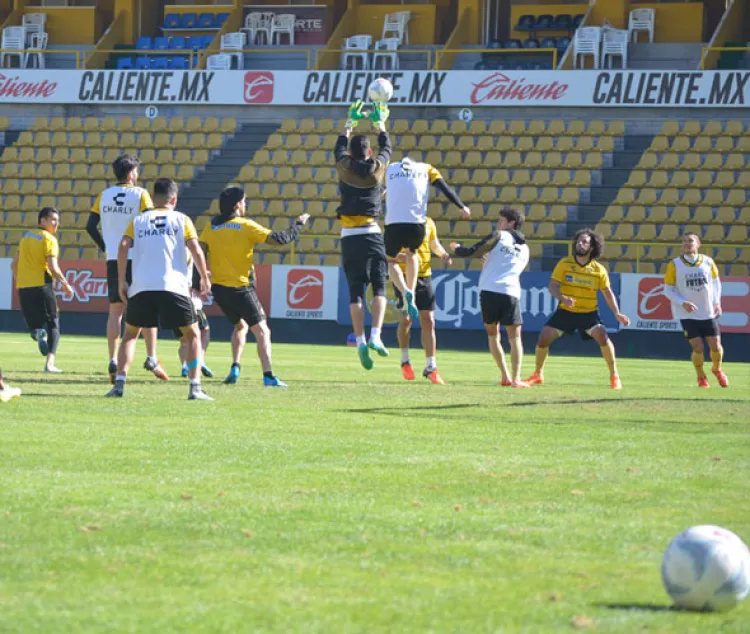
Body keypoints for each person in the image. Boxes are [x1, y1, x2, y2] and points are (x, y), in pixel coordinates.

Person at [105, 179, 212, 401]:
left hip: (142, 287)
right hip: (174, 286)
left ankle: (119, 385)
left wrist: (122, 280)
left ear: (153, 199)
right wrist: (203, 277)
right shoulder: (182, 219)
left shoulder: (139, 220)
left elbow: (123, 245)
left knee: (130, 336)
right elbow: (195, 249)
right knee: (192, 335)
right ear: (174, 199)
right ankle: (195, 387)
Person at [199, 186, 309, 387]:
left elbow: (200, 251)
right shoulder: (245, 225)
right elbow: (280, 239)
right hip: (241, 288)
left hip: (219, 289)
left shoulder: (210, 227)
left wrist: (202, 277)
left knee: (240, 326)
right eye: (244, 201)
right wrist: (298, 225)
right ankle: (268, 376)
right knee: (263, 331)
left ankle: (235, 367)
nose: (246, 204)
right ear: (237, 205)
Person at [87, 153, 167, 383]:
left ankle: (113, 358)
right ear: (132, 173)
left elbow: (90, 225)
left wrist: (105, 246)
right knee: (147, 308)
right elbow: (149, 221)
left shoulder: (104, 195)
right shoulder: (141, 194)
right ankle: (151, 356)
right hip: (138, 257)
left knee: (115, 312)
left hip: (114, 258)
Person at [525, 229, 630, 389]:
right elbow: (552, 286)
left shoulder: (598, 269)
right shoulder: (564, 263)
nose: (580, 244)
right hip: (566, 312)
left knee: (602, 336)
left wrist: (617, 313)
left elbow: (607, 293)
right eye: (578, 241)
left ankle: (614, 376)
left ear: (592, 247)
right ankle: (538, 374)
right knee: (544, 337)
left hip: (588, 314)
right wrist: (563, 298)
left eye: (585, 242)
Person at [335, 100, 392, 370]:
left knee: (355, 291)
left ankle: (359, 341)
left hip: (348, 235)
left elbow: (338, 148)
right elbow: (387, 149)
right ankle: (376, 336)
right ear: (369, 151)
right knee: (379, 286)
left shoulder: (343, 166)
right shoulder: (377, 168)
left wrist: (350, 123)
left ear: (351, 152)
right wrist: (380, 123)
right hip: (371, 232)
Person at [451, 206, 530, 387]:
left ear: (512, 223)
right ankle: (517, 378)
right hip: (510, 292)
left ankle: (505, 376)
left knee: (493, 335)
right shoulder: (526, 249)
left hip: (489, 290)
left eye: (501, 220)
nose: (498, 223)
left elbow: (473, 251)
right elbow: (510, 268)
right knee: (515, 337)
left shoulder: (499, 235)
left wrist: (457, 248)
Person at [384, 155, 470, 321]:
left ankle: (404, 291)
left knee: (391, 261)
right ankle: (412, 292)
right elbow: (444, 188)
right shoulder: (427, 168)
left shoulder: (390, 168)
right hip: (417, 223)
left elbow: (377, 186)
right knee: (412, 253)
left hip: (393, 223)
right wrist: (461, 206)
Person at [12, 207, 74, 372]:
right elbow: (53, 268)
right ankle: (50, 364)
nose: (56, 223)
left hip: (24, 287)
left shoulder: (26, 237)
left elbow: (14, 264)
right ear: (42, 221)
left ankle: (39, 333)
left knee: (35, 325)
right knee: (54, 323)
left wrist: (21, 279)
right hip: (42, 285)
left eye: (57, 220)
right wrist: (66, 285)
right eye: (53, 219)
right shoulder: (49, 239)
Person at [663, 232, 728, 388]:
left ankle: (717, 369)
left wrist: (717, 302)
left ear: (698, 244)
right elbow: (668, 290)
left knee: (716, 346)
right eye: (684, 241)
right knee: (698, 347)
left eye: (690, 241)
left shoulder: (707, 261)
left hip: (707, 312)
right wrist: (682, 302)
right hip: (687, 314)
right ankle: (701, 376)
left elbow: (716, 283)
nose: (687, 244)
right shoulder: (675, 264)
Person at [394, 216, 452, 385]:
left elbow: (434, 244)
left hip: (424, 276)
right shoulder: (397, 221)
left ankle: (431, 367)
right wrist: (403, 257)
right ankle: (405, 360)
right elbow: (387, 251)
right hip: (404, 277)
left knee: (429, 320)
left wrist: (443, 253)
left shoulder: (429, 222)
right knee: (406, 319)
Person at [173, 257, 213, 379]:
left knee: (184, 341)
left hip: (172, 302)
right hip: (192, 304)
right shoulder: (191, 255)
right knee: (204, 330)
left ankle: (184, 366)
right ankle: (199, 360)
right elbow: (198, 284)